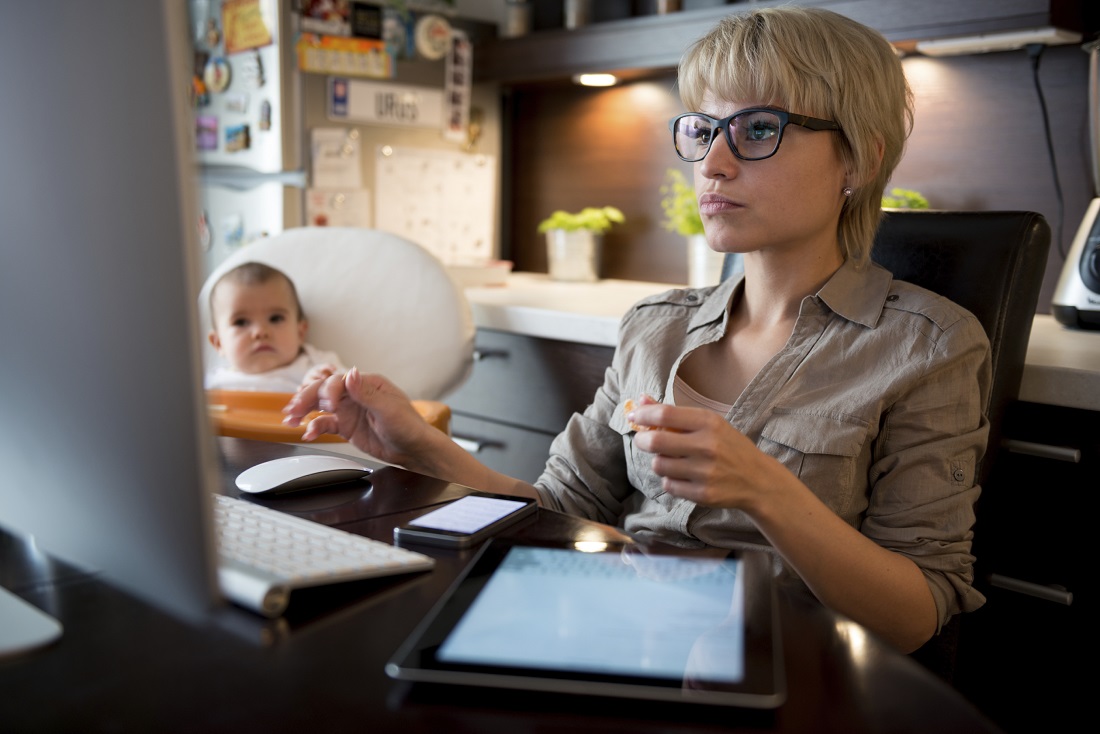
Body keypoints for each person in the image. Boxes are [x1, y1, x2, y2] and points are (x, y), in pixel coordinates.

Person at [284, 6, 988, 654]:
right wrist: (418, 444)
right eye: (703, 131)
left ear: (859, 159)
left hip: (784, 663)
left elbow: (916, 614)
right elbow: (557, 511)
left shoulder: (928, 347)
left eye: (757, 130)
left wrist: (766, 491)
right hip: (620, 632)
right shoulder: (656, 327)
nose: (712, 164)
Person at [205, 261, 344, 392]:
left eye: (275, 319)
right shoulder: (212, 384)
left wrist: (326, 385)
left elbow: (352, 392)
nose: (260, 332)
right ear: (218, 343)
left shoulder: (317, 364)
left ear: (300, 332)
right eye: (241, 322)